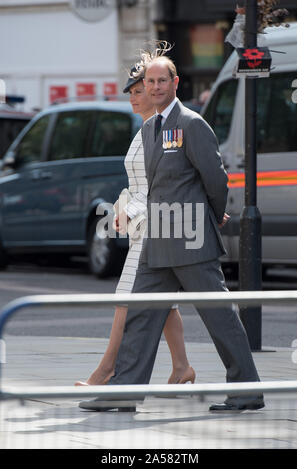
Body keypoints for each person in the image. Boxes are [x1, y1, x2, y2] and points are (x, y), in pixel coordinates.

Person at [79, 48, 264, 413]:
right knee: (140, 314)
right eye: (151, 81)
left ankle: (247, 391)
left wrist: (213, 215)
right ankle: (122, 394)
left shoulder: (192, 123)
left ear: (175, 83)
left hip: (191, 236)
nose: (156, 86)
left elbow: (215, 178)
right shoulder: (149, 128)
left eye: (163, 80)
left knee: (220, 316)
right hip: (157, 237)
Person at [75, 65, 195, 387]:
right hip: (145, 225)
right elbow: (139, 184)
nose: (134, 97)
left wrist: (134, 208)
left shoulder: (162, 130)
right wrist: (122, 206)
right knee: (161, 301)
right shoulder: (143, 130)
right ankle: (182, 367)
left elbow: (163, 185)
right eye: (131, 91)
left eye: (139, 90)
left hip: (157, 226)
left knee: (126, 296)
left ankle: (107, 370)